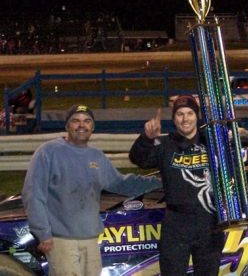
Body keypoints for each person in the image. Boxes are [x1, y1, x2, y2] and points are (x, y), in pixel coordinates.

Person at [22, 104, 162, 276]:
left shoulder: (97, 157)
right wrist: (42, 232)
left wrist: (163, 182)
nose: (82, 125)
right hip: (61, 241)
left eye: (87, 121)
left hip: (90, 240)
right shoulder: (48, 152)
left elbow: (123, 184)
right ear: (67, 126)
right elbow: (33, 194)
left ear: (92, 127)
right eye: (76, 121)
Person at [129, 95, 224, 276]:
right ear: (174, 119)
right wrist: (146, 139)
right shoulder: (165, 144)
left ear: (197, 117)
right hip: (176, 224)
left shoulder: (212, 143)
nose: (185, 119)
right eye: (180, 114)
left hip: (210, 223)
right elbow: (137, 159)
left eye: (190, 113)